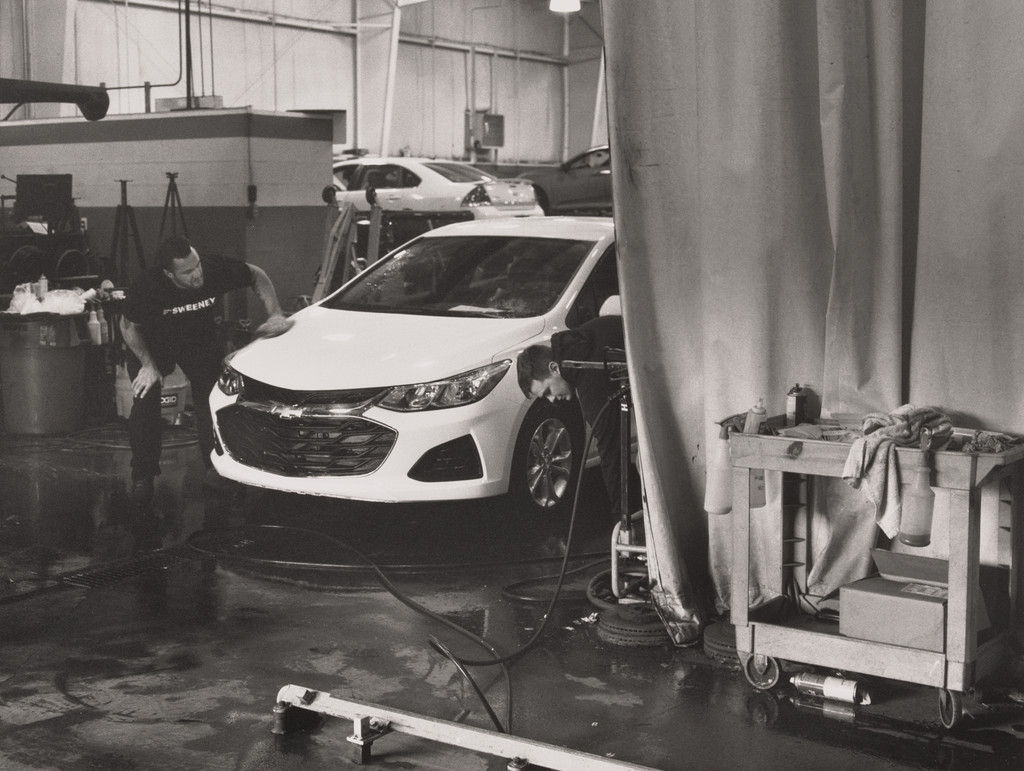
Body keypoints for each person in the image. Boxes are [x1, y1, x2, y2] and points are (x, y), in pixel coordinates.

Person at [120, 234, 292, 507]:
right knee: (145, 404)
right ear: (168, 273)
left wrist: (275, 313)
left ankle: (216, 469)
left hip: (196, 339)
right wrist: (148, 365)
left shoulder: (213, 269)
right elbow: (128, 326)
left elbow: (256, 275)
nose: (197, 274)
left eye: (197, 264)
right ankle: (143, 477)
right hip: (153, 344)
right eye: (187, 272)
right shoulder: (148, 285)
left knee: (211, 401)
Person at [516, 313, 631, 518]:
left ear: (554, 368)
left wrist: (621, 519)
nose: (552, 400)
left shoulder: (589, 380)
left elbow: (612, 456)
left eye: (548, 391)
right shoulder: (578, 341)